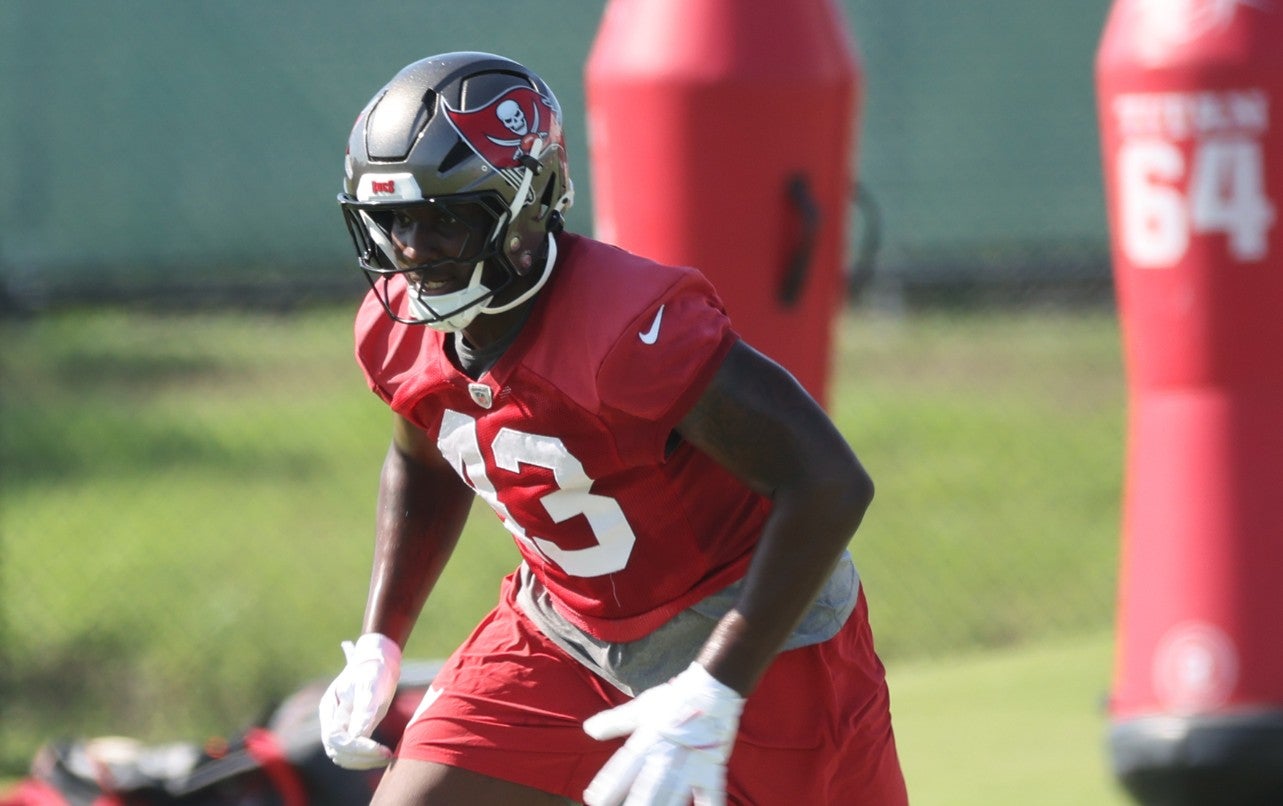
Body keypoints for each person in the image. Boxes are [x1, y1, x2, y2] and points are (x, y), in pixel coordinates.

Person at [318, 51, 908, 806]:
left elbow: (827, 482)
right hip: (558, 628)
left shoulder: (624, 330)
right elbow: (424, 462)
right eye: (394, 218)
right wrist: (381, 638)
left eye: (444, 220)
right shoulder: (394, 331)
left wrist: (718, 685)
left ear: (529, 205)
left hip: (754, 633)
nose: (410, 249)